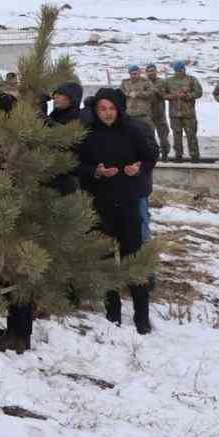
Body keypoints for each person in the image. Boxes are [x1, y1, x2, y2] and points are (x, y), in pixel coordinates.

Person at [79, 89, 154, 334]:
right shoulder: (89, 134)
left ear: (119, 109)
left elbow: (151, 155)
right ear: (96, 110)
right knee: (106, 258)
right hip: (101, 203)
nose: (107, 113)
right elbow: (77, 164)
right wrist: (96, 171)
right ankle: (113, 311)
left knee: (133, 258)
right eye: (102, 109)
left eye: (111, 108)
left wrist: (138, 167)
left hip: (129, 201)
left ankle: (142, 315)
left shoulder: (132, 130)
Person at [161, 61, 203, 162]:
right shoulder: (168, 81)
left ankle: (195, 157)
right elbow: (162, 94)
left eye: (181, 70)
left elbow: (199, 92)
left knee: (191, 136)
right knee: (177, 136)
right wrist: (172, 96)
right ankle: (178, 156)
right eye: (177, 70)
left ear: (184, 69)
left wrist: (187, 96)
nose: (179, 72)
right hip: (175, 114)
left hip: (189, 114)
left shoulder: (191, 80)